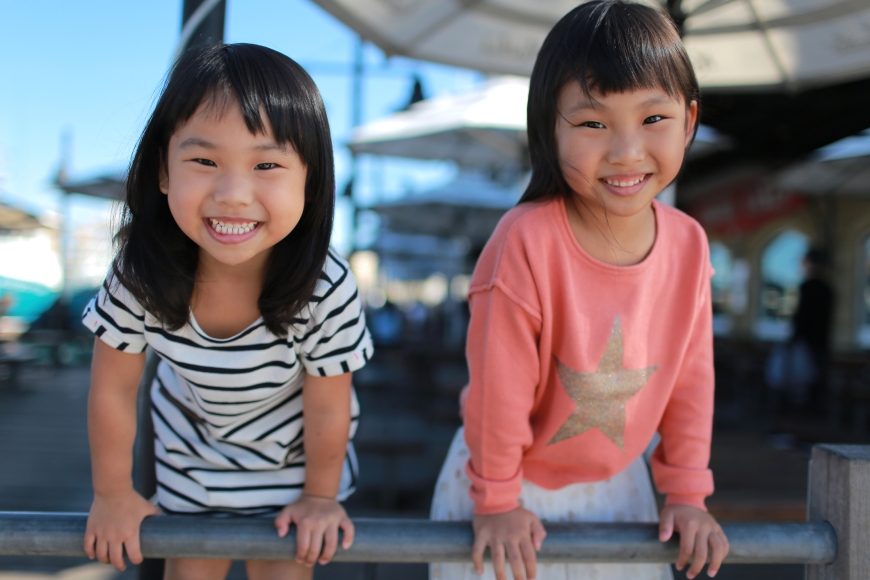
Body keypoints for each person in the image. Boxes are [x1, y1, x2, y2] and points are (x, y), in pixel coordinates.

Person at [430, 3, 729, 580]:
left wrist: (688, 495)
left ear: (689, 121)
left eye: (653, 119)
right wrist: (495, 502)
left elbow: (692, 382)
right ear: (549, 128)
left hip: (621, 491)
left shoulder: (689, 244)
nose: (625, 151)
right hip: (504, 488)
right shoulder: (526, 240)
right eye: (593, 123)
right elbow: (498, 392)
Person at [80, 44, 373, 580]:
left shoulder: (324, 286)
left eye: (267, 164)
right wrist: (114, 494)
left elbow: (330, 407)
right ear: (163, 172)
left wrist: (319, 498)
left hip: (296, 466)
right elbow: (112, 388)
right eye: (204, 161)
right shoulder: (141, 273)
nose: (234, 193)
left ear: (308, 181)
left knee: (284, 569)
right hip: (191, 462)